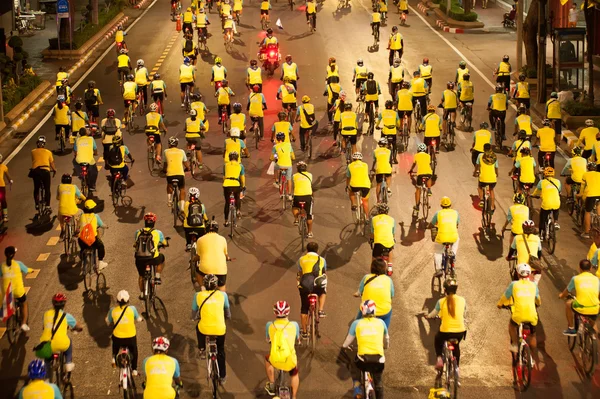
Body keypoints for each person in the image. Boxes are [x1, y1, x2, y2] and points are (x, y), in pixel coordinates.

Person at [342, 299, 388, 399]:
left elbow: (347, 342)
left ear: (362, 311)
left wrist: (345, 347)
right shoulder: (381, 323)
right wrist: (386, 346)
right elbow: (386, 339)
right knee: (378, 382)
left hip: (363, 359)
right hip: (379, 360)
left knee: (354, 364)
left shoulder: (356, 323)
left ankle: (358, 388)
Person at [193, 274, 231, 384]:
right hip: (219, 329)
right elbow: (228, 313)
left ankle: (201, 349)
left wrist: (194, 317)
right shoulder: (223, 295)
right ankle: (222, 376)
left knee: (198, 327)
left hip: (204, 329)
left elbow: (193, 313)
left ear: (204, 285)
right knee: (221, 350)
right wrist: (227, 317)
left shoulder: (198, 295)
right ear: (216, 285)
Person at [426, 279, 466, 378]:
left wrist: (428, 316)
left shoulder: (441, 301)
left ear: (445, 290)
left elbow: (433, 314)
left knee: (437, 339)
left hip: (445, 332)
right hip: (460, 332)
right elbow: (464, 313)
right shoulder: (462, 300)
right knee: (456, 346)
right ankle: (457, 367)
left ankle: (439, 358)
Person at [497, 263, 541, 354]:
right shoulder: (534, 285)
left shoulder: (514, 284)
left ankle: (515, 344)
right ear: (529, 274)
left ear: (518, 274)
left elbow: (505, 297)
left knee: (512, 326)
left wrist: (500, 304)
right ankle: (532, 356)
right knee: (533, 335)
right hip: (532, 316)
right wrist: (538, 304)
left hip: (518, 315)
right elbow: (538, 300)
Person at [39, 293, 84, 373]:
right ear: (64, 304)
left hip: (46, 343)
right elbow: (79, 327)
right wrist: (78, 329)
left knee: (47, 358)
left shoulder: (46, 314)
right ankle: (68, 363)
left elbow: (44, 327)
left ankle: (45, 374)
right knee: (69, 341)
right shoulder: (66, 316)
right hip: (60, 344)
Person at [264, 301, 301, 398]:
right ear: (288, 312)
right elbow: (297, 339)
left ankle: (272, 384)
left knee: (267, 359)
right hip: (289, 359)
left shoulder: (269, 325)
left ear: (275, 312)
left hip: (275, 359)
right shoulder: (294, 325)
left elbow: (268, 339)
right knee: (294, 373)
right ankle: (294, 397)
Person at [560, 259, 599, 335]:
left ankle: (571, 328)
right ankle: (596, 336)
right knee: (593, 322)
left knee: (568, 304)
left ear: (580, 268)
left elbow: (566, 291)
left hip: (580, 307)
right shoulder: (597, 279)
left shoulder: (575, 278)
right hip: (595, 307)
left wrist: (561, 296)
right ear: (590, 268)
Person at [107, 290, 142, 374]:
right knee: (134, 350)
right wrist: (141, 319)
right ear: (128, 300)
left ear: (117, 301)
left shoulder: (113, 310)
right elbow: (138, 319)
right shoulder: (132, 309)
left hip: (118, 338)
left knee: (115, 345)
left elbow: (108, 320)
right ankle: (134, 369)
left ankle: (114, 358)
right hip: (130, 337)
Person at [134, 213, 168, 295]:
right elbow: (164, 243)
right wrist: (165, 244)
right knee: (162, 259)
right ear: (154, 222)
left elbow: (136, 244)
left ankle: (142, 293)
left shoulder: (138, 232)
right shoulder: (158, 233)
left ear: (145, 221)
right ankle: (157, 276)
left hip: (139, 259)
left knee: (141, 275)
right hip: (153, 258)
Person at [297, 242, 327, 335]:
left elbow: (300, 273)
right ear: (318, 250)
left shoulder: (301, 259)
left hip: (305, 287)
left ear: (307, 250)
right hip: (317, 286)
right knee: (323, 290)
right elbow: (323, 272)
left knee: (304, 308)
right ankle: (321, 310)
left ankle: (305, 332)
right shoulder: (322, 260)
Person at [1, 246, 32, 331]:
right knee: (24, 303)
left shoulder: (2, 266)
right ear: (14, 254)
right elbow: (26, 270)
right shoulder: (18, 264)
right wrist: (31, 270)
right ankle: (24, 323)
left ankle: (9, 314)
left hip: (7, 292)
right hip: (18, 291)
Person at [196, 220, 231, 289]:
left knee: (198, 273)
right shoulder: (223, 239)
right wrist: (228, 258)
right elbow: (226, 255)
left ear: (205, 229)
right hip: (220, 270)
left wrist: (194, 259)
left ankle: (202, 287)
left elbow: (198, 256)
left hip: (205, 269)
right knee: (222, 292)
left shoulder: (200, 240)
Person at [431, 197, 459, 276]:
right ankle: (453, 253)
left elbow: (432, 224)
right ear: (450, 205)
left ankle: (439, 269)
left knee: (438, 252)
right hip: (453, 236)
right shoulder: (455, 213)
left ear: (441, 205)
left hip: (441, 237)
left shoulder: (438, 213)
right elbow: (457, 224)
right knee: (457, 239)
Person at [78, 199, 108, 270]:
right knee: (101, 246)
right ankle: (100, 262)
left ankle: (82, 253)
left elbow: (80, 224)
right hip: (93, 240)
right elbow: (102, 225)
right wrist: (106, 226)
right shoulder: (95, 216)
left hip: (82, 240)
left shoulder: (82, 216)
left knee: (82, 247)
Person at [533, 167, 561, 237]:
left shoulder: (541, 182)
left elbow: (537, 192)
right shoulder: (558, 181)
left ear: (545, 174)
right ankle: (556, 222)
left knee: (542, 218)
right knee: (556, 209)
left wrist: (533, 195)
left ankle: (541, 235)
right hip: (556, 203)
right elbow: (559, 191)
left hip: (546, 204)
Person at [30, 136, 56, 212]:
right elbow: (52, 163)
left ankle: (37, 204)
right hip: (45, 171)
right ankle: (48, 205)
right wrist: (54, 170)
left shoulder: (33, 151)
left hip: (36, 171)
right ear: (44, 144)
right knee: (47, 189)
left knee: (36, 188)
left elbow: (34, 161)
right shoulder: (48, 152)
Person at [163, 137, 188, 211]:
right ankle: (182, 207)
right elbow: (186, 164)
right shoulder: (182, 151)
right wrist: (188, 168)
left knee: (169, 185)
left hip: (170, 175)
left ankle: (169, 201)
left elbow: (165, 164)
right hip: (180, 174)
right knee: (182, 189)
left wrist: (164, 170)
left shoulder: (166, 151)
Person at [57, 174, 85, 239]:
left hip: (62, 211)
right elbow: (80, 195)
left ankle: (62, 230)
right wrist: (85, 199)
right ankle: (77, 230)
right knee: (81, 213)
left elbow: (58, 197)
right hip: (73, 210)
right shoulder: (74, 187)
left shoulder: (59, 186)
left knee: (61, 216)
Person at [409, 143, 433, 217]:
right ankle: (429, 189)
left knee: (418, 190)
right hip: (428, 172)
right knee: (429, 177)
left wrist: (411, 170)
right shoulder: (428, 156)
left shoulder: (416, 155)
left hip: (420, 174)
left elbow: (414, 164)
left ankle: (417, 206)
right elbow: (429, 164)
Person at [223, 150, 245, 226]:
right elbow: (242, 178)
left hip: (227, 185)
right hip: (236, 184)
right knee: (237, 197)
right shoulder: (240, 166)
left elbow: (224, 176)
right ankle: (238, 210)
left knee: (227, 202)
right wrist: (243, 186)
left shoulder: (225, 165)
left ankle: (226, 220)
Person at [271, 132, 295, 199]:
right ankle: (290, 195)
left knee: (275, 167)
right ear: (284, 138)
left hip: (279, 165)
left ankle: (276, 181)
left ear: (277, 139)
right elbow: (293, 157)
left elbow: (272, 157)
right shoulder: (289, 145)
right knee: (289, 179)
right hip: (288, 165)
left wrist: (276, 157)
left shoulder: (275, 146)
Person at [73, 127, 98, 191]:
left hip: (79, 160)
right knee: (95, 172)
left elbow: (75, 151)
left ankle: (81, 175)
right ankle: (92, 185)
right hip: (89, 160)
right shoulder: (91, 139)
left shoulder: (77, 140)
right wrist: (95, 153)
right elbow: (95, 149)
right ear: (86, 133)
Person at [579, 162, 600, 238]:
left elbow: (582, 187)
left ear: (588, 168)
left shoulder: (585, 174)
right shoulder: (599, 174)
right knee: (598, 209)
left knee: (587, 212)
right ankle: (598, 218)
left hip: (591, 195)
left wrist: (580, 195)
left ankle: (587, 232)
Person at [346, 152, 370, 217]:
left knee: (351, 192)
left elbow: (348, 177)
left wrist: (347, 185)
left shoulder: (350, 165)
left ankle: (353, 204)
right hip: (366, 185)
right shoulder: (365, 165)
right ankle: (367, 217)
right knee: (365, 201)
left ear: (353, 159)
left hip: (354, 185)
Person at [372, 138, 393, 204]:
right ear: (386, 144)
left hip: (379, 169)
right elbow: (390, 161)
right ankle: (388, 188)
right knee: (389, 177)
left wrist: (373, 168)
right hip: (387, 168)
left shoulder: (375, 151)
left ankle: (378, 200)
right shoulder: (389, 151)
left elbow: (374, 161)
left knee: (378, 185)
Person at [0, 154, 13, 221]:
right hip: (1, 186)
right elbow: (8, 176)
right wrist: (10, 181)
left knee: (3, 199)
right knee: (3, 200)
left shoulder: (3, 167)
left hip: (1, 185)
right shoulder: (4, 167)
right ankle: (5, 216)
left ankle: (5, 215)